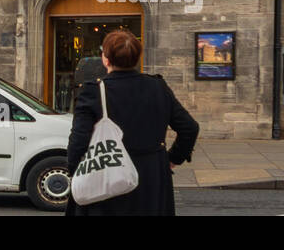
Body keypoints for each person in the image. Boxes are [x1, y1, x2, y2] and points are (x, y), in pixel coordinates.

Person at [66, 29, 198, 216]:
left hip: (107, 172)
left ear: (106, 59)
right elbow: (189, 128)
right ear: (137, 59)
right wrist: (172, 158)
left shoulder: (94, 91)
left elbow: (78, 141)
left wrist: (74, 170)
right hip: (152, 176)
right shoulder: (157, 87)